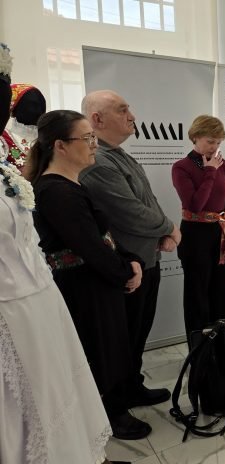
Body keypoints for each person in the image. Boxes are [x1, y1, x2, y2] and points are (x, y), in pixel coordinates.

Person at [26, 109, 154, 442]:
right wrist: (125, 271)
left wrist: (129, 258)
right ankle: (111, 416)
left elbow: (101, 236)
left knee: (112, 345)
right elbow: (90, 246)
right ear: (60, 146)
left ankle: (119, 403)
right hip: (83, 286)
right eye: (87, 138)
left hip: (96, 280)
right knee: (100, 349)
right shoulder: (55, 191)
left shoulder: (71, 185)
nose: (94, 144)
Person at [80, 90, 180, 408]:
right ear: (97, 119)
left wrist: (162, 233)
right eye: (123, 110)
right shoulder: (97, 161)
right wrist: (170, 228)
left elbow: (147, 201)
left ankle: (132, 387)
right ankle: (117, 404)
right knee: (121, 340)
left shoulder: (118, 154)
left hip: (146, 260)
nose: (132, 116)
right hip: (126, 268)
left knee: (137, 334)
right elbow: (130, 212)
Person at [172, 115, 225, 347]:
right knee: (197, 297)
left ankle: (224, 351)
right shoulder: (181, 167)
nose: (215, 147)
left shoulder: (223, 165)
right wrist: (210, 171)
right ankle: (200, 354)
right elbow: (194, 205)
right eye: (210, 141)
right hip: (195, 236)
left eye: (218, 142)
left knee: (223, 294)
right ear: (195, 137)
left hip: (221, 235)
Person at [1, 83, 46, 171]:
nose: (37, 110)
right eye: (30, 105)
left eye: (40, 104)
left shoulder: (51, 137)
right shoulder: (3, 139)